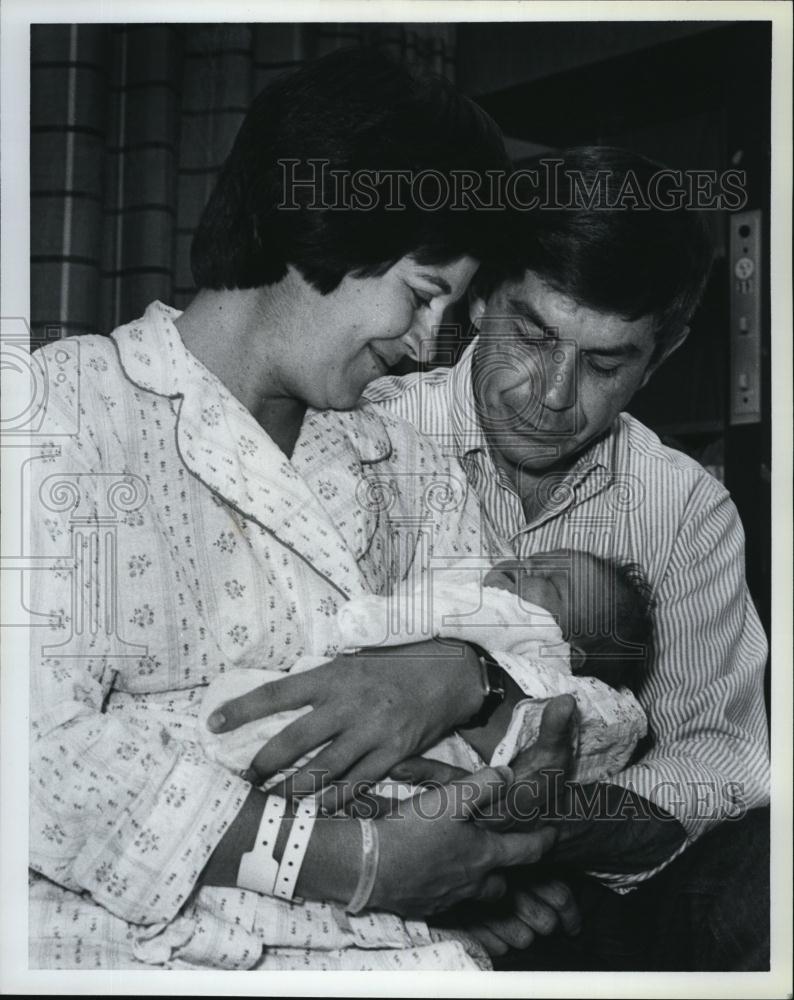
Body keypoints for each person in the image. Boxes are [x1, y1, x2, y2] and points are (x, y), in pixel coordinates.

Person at [27, 49, 576, 971]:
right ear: (328, 224)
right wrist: (360, 870)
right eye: (423, 292)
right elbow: (37, 766)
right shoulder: (68, 414)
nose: (426, 345)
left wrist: (462, 676)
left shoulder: (396, 451)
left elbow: (554, 679)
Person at [211, 146, 769, 968]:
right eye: (532, 333)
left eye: (606, 362)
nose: (550, 394)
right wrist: (413, 870)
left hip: (589, 868)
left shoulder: (687, 510)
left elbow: (722, 755)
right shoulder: (362, 437)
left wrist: (538, 834)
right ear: (476, 301)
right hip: (350, 851)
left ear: (668, 352)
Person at [198, 548, 654, 791]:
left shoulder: (520, 622)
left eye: (550, 581)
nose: (523, 566)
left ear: (570, 652)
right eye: (534, 558)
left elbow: (437, 613)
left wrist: (369, 622)